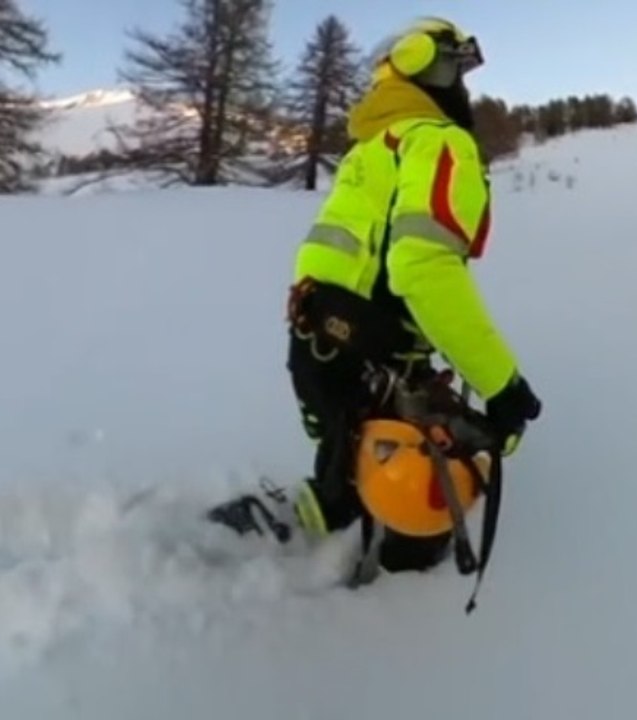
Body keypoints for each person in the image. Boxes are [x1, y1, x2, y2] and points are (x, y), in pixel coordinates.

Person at [214, 16, 542, 575]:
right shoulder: (439, 141)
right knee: (426, 497)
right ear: (417, 67)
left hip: (317, 338)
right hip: (377, 350)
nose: (459, 84)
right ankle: (398, 607)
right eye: (450, 68)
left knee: (346, 465)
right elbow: (422, 269)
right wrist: (502, 386)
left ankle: (299, 537)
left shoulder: (370, 150)